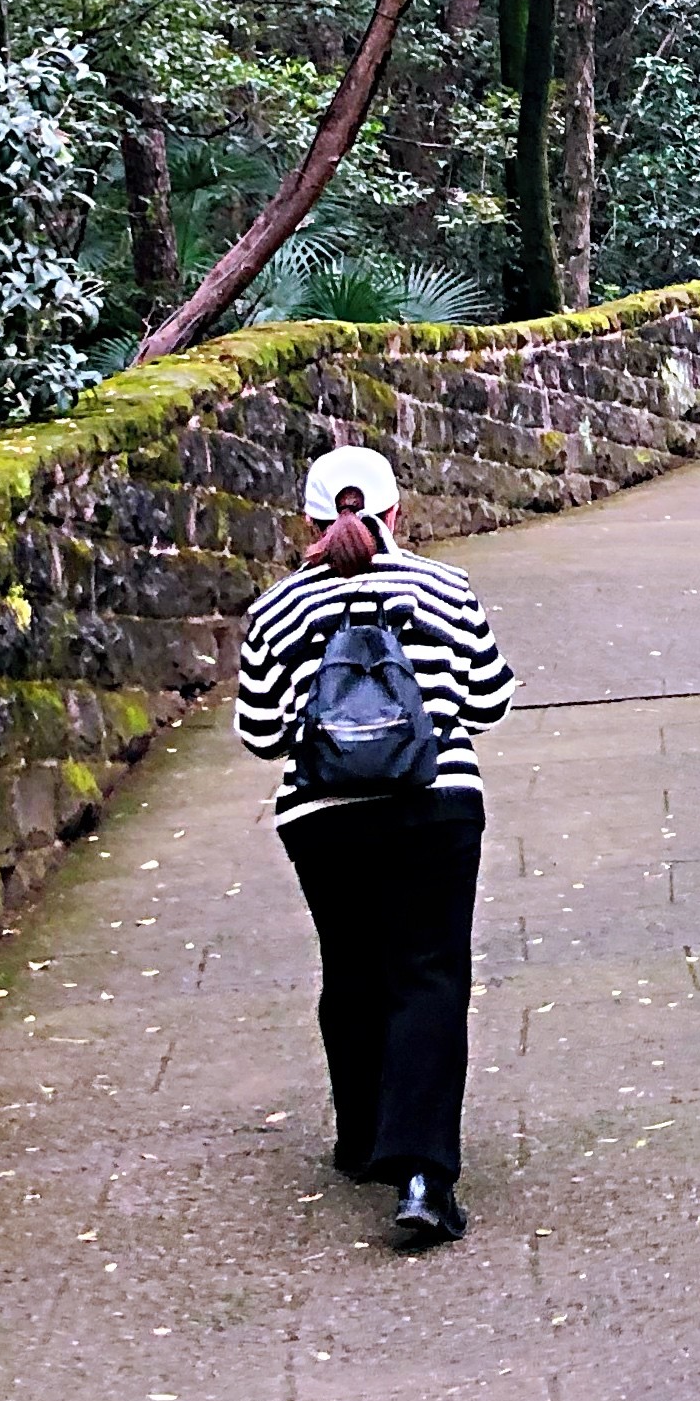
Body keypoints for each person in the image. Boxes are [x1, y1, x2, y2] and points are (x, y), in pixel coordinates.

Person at [232, 441, 516, 1249]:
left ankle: (360, 1140)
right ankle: (424, 1174)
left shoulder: (277, 609)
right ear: (397, 514)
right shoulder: (443, 587)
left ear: (310, 522)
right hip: (438, 806)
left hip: (325, 819)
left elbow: (258, 734)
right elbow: (490, 701)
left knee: (353, 968)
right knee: (428, 973)